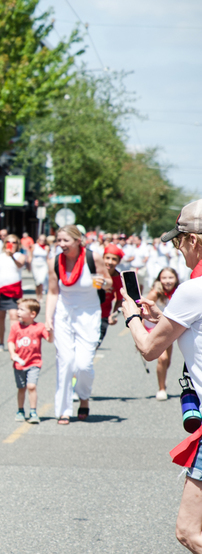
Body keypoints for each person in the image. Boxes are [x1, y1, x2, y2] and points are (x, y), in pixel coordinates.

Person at [119, 200, 202, 552]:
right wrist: (161, 316)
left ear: (195, 241)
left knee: (189, 531)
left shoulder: (192, 290)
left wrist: (131, 317)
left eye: (178, 240)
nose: (177, 248)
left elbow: (150, 348)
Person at [46, 224, 109, 425]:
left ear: (77, 241)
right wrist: (48, 318)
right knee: (65, 361)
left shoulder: (93, 257)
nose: (61, 244)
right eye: (59, 240)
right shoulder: (55, 261)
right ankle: (63, 410)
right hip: (64, 314)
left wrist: (102, 282)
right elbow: (53, 292)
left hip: (89, 315)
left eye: (65, 240)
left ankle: (83, 398)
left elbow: (108, 283)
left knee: (83, 365)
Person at [7, 298, 49, 424]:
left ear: (32, 314)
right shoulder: (16, 327)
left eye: (21, 309)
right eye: (18, 309)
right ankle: (20, 410)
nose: (18, 312)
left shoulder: (39, 327)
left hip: (34, 363)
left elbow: (50, 339)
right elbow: (10, 341)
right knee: (21, 388)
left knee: (31, 386)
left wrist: (50, 330)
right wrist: (12, 353)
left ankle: (33, 411)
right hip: (19, 364)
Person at [142, 267, 180, 400]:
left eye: (170, 277)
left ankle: (162, 378)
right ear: (159, 279)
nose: (167, 281)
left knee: (167, 361)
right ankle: (161, 389)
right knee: (162, 358)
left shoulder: (179, 292)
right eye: (164, 278)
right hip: (153, 329)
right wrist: (140, 337)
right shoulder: (155, 293)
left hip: (168, 330)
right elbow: (142, 314)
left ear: (176, 279)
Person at [0, 234, 26, 351]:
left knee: (14, 315)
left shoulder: (20, 256)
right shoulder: (0, 257)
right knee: (0, 317)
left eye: (14, 242)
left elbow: (20, 265)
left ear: (18, 244)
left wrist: (12, 256)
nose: (11, 244)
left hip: (14, 290)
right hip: (0, 289)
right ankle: (1, 342)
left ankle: (13, 341)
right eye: (9, 242)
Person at [97, 243, 125, 350]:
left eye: (114, 259)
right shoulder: (95, 272)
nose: (109, 262)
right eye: (107, 258)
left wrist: (113, 315)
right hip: (89, 312)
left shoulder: (118, 279)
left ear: (118, 262)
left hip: (104, 316)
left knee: (96, 344)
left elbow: (119, 300)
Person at [30, 234, 50, 302]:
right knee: (37, 282)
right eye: (41, 239)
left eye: (44, 240)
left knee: (41, 280)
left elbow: (47, 258)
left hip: (43, 265)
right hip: (35, 265)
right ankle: (37, 296)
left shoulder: (47, 247)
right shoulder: (34, 246)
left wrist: (49, 267)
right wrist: (29, 265)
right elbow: (31, 256)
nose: (42, 241)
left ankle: (41, 296)